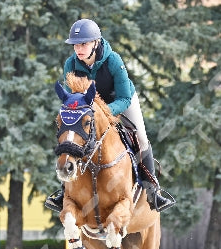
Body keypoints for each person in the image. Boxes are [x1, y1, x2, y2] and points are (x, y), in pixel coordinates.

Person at [45, 18, 176, 213]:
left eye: (83, 43)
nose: (78, 49)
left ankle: (152, 189)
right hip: (88, 109)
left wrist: (102, 112)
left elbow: (124, 98)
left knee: (141, 137)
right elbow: (71, 100)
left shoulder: (113, 60)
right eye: (75, 45)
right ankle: (65, 191)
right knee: (73, 139)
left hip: (121, 102)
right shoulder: (70, 64)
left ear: (95, 43)